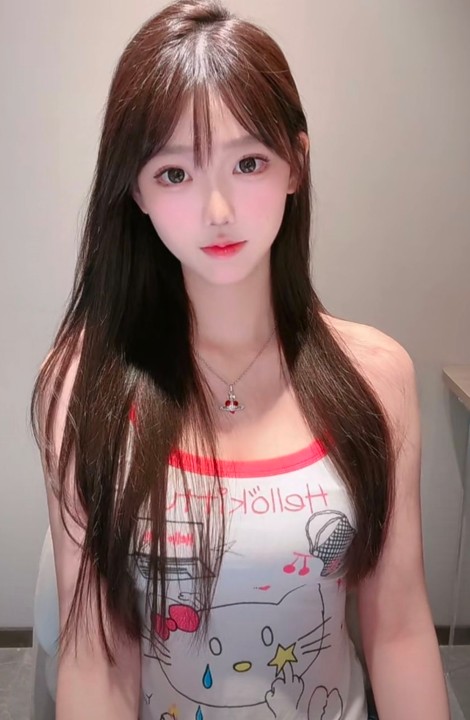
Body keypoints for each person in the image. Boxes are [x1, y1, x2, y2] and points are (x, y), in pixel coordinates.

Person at [30, 1, 450, 719]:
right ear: (136, 191)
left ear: (295, 164)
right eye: (174, 174)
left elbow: (401, 629)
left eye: (248, 162)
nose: (217, 209)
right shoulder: (82, 386)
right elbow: (96, 656)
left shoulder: (378, 376)